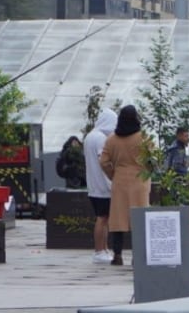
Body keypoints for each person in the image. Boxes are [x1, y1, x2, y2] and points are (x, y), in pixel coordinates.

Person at [100, 105, 150, 266]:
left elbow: (104, 161)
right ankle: (138, 256)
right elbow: (154, 160)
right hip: (140, 181)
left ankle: (118, 255)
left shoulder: (112, 139)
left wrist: (113, 174)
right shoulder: (144, 138)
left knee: (118, 219)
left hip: (120, 181)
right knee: (139, 219)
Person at [84, 108, 117, 264]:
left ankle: (103, 249)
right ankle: (100, 251)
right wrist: (112, 178)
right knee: (102, 219)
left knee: (102, 218)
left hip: (93, 185)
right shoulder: (100, 138)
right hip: (103, 186)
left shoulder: (90, 136)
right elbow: (103, 160)